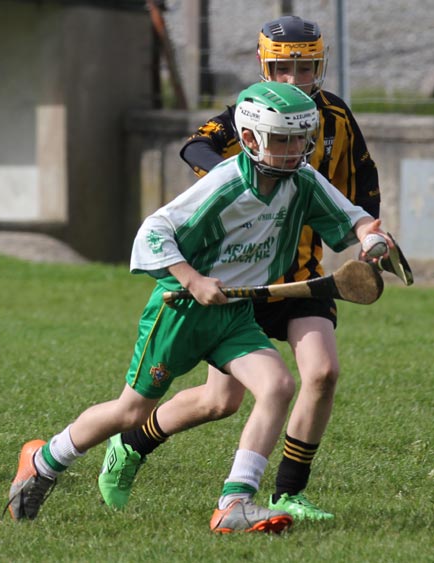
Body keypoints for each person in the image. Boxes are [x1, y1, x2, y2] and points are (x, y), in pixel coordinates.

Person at [6, 81, 390, 534]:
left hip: (234, 316)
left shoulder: (302, 181)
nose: (297, 149)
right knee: (131, 411)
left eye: (302, 139)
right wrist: (192, 279)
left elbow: (352, 217)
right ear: (250, 140)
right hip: (181, 310)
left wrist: (371, 238)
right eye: (284, 139)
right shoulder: (226, 183)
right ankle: (44, 459)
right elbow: (153, 231)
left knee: (278, 385)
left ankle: (234, 502)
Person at [98, 16, 382, 521]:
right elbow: (196, 145)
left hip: (301, 279)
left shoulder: (336, 116)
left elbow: (362, 185)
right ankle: (131, 445)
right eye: (284, 67)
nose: (295, 78)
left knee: (322, 372)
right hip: (240, 279)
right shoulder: (249, 111)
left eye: (306, 67)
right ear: (265, 66)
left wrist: (369, 239)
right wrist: (242, 186)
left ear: (321, 64)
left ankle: (287, 493)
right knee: (218, 401)